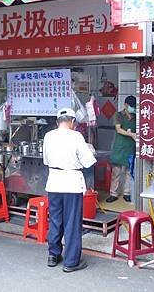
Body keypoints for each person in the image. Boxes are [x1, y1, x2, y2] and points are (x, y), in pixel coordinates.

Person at [43, 108, 96, 273]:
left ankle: (53, 255)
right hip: (71, 183)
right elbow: (88, 161)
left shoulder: (48, 136)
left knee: (55, 219)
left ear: (58, 122)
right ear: (72, 122)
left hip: (53, 182)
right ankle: (71, 262)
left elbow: (46, 160)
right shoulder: (76, 136)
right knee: (72, 222)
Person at [106, 95, 137, 203]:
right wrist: (132, 134)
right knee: (116, 172)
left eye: (134, 106)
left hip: (130, 147)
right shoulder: (118, 115)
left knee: (129, 171)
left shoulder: (136, 117)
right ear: (125, 105)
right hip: (119, 147)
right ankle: (113, 193)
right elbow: (118, 129)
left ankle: (127, 193)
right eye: (130, 106)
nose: (132, 109)